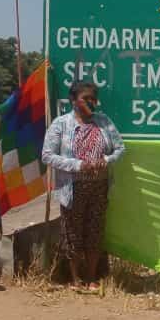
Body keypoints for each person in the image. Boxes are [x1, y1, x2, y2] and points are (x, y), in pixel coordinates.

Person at [41, 81, 125, 290]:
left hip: (99, 186)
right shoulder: (61, 124)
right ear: (73, 100)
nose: (90, 102)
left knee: (95, 231)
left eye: (93, 98)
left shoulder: (103, 122)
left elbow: (120, 149)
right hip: (73, 188)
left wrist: (104, 160)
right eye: (85, 98)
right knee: (73, 232)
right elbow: (48, 156)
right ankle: (76, 278)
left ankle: (91, 277)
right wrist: (79, 165)